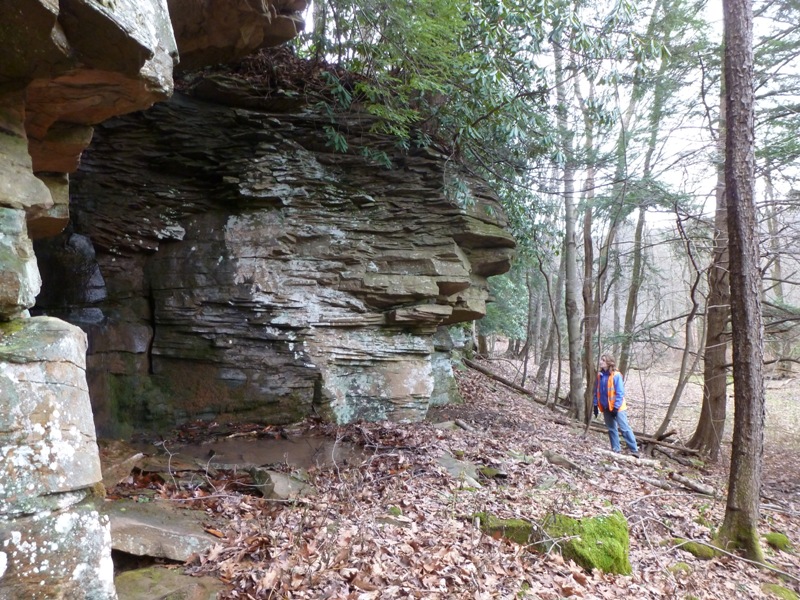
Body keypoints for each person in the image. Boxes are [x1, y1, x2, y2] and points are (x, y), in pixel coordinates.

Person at [593, 353, 639, 458]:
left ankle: (634, 450)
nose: (600, 362)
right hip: (605, 407)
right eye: (601, 360)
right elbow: (597, 391)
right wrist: (595, 405)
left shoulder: (616, 375)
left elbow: (620, 393)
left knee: (624, 428)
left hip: (618, 408)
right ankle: (616, 449)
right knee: (611, 429)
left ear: (609, 363)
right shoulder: (600, 376)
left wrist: (616, 407)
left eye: (603, 360)